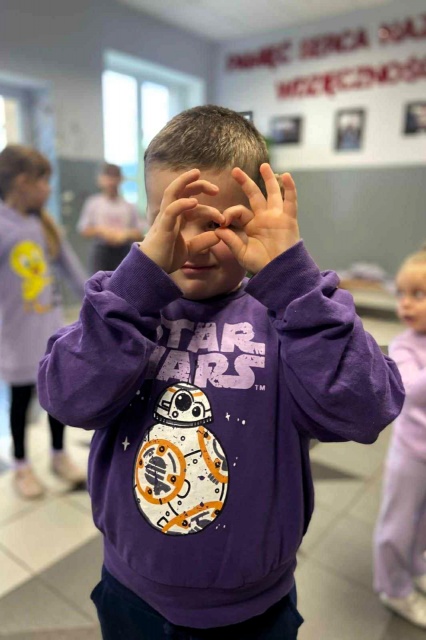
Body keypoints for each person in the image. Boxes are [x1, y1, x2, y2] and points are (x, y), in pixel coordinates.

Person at [38, 105, 404, 640]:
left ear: (255, 218)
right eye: (169, 220)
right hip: (130, 590)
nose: (193, 244)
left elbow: (365, 410)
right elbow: (67, 398)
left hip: (253, 610)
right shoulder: (117, 306)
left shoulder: (291, 316)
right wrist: (133, 290)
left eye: (216, 224)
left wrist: (294, 282)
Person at [0, 144, 87, 499]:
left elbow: (76, 275)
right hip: (14, 335)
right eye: (43, 181)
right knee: (20, 401)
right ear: (22, 182)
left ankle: (58, 454)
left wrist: (106, 301)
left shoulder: (43, 224)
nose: (48, 188)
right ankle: (21, 464)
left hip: (50, 331)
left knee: (55, 396)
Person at [374, 246, 426, 628]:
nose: (405, 303)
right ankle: (394, 588)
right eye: (402, 293)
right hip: (411, 455)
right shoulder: (405, 345)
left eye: (418, 294)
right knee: (398, 525)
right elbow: (411, 389)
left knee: (423, 523)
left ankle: (417, 566)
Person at [77, 162, 144, 273]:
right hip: (101, 252)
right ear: (100, 179)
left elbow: (140, 233)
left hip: (123, 251)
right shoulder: (93, 203)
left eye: (114, 177)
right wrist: (102, 231)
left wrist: (125, 234)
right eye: (108, 177)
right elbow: (84, 229)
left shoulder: (129, 206)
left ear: (121, 179)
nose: (111, 182)